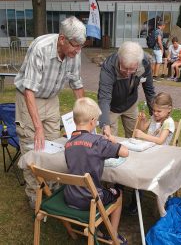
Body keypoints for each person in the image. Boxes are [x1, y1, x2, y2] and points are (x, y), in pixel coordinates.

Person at [14, 16, 86, 207]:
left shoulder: (74, 52)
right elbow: (29, 90)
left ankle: (53, 187)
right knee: (33, 146)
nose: (78, 51)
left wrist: (86, 117)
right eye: (75, 46)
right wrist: (37, 127)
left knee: (55, 144)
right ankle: (33, 192)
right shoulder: (41, 48)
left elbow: (77, 85)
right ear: (62, 39)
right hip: (29, 97)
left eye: (81, 46)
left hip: (52, 99)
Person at [64, 97, 129, 244]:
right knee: (118, 194)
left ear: (74, 120)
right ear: (93, 121)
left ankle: (97, 230)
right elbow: (125, 152)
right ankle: (114, 234)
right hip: (90, 200)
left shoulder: (68, 144)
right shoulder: (98, 142)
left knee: (98, 185)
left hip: (70, 197)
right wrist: (111, 139)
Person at [98, 41, 155, 139]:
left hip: (131, 104)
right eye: (124, 68)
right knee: (109, 140)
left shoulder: (144, 62)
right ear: (120, 59)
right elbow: (104, 97)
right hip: (111, 107)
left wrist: (154, 113)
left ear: (138, 63)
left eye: (132, 69)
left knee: (135, 138)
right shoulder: (108, 66)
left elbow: (149, 89)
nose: (128, 73)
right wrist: (104, 123)